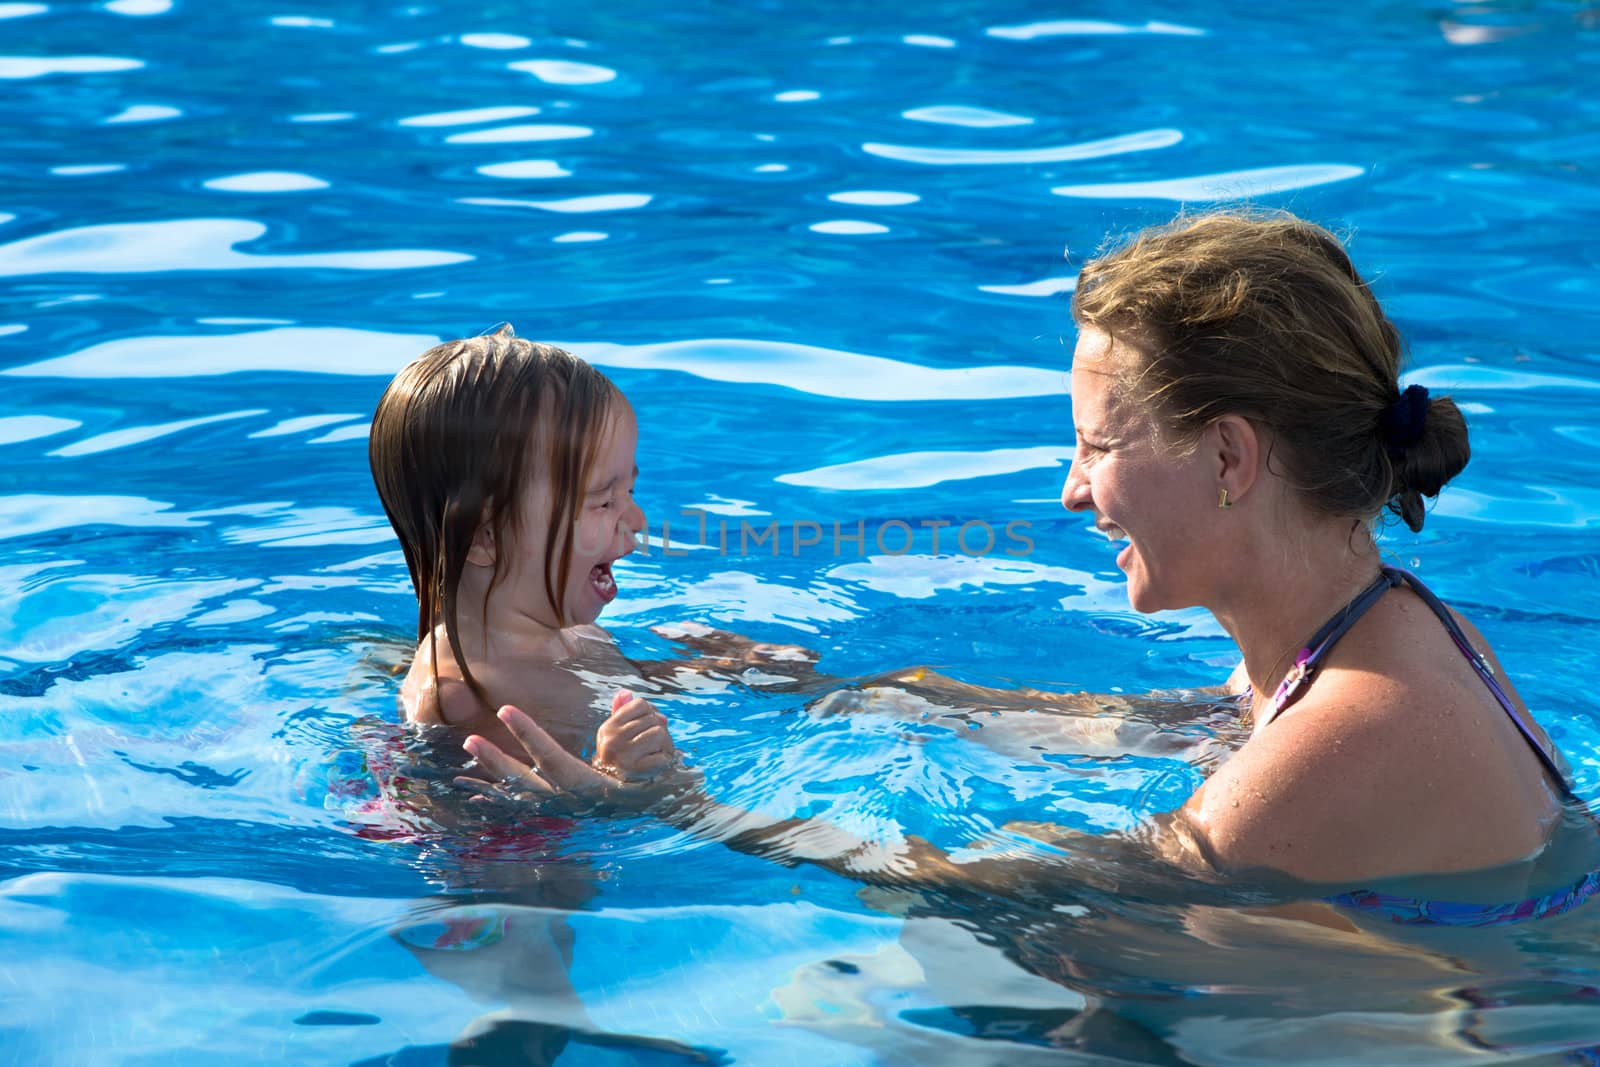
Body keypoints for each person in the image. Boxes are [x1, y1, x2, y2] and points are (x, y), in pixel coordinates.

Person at [458, 212, 1590, 922]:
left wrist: (684, 809)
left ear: (1230, 457)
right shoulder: (1366, 632)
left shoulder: (1365, 718)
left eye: (1098, 444)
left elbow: (1010, 884)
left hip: (1497, 1026)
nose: (1070, 489)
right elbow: (1148, 723)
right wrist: (842, 694)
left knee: (936, 980)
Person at [367, 323, 673, 779]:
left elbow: (595, 687)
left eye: (629, 490)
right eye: (606, 501)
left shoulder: (568, 634)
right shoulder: (465, 702)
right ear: (485, 538)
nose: (638, 522)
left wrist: (730, 670)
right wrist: (615, 787)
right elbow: (488, 835)